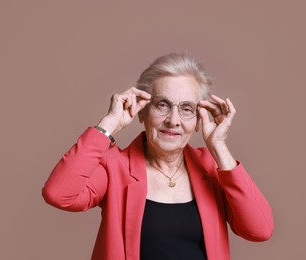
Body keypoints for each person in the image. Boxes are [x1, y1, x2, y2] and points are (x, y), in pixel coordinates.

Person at [42, 52, 274, 260]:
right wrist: (109, 125)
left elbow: (260, 230)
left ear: (198, 120)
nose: (173, 120)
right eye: (162, 104)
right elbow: (59, 194)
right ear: (142, 112)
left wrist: (219, 147)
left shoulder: (213, 167)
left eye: (186, 108)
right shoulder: (115, 166)